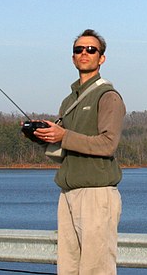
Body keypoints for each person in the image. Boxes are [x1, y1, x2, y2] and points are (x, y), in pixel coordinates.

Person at [33, 29, 126, 275]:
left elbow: (108, 144)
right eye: (78, 49)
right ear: (73, 57)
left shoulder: (108, 96)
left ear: (101, 58)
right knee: (68, 269)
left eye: (91, 49)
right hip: (68, 194)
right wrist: (43, 138)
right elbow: (63, 151)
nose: (84, 53)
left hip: (97, 196)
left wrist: (64, 136)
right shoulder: (69, 101)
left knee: (96, 270)